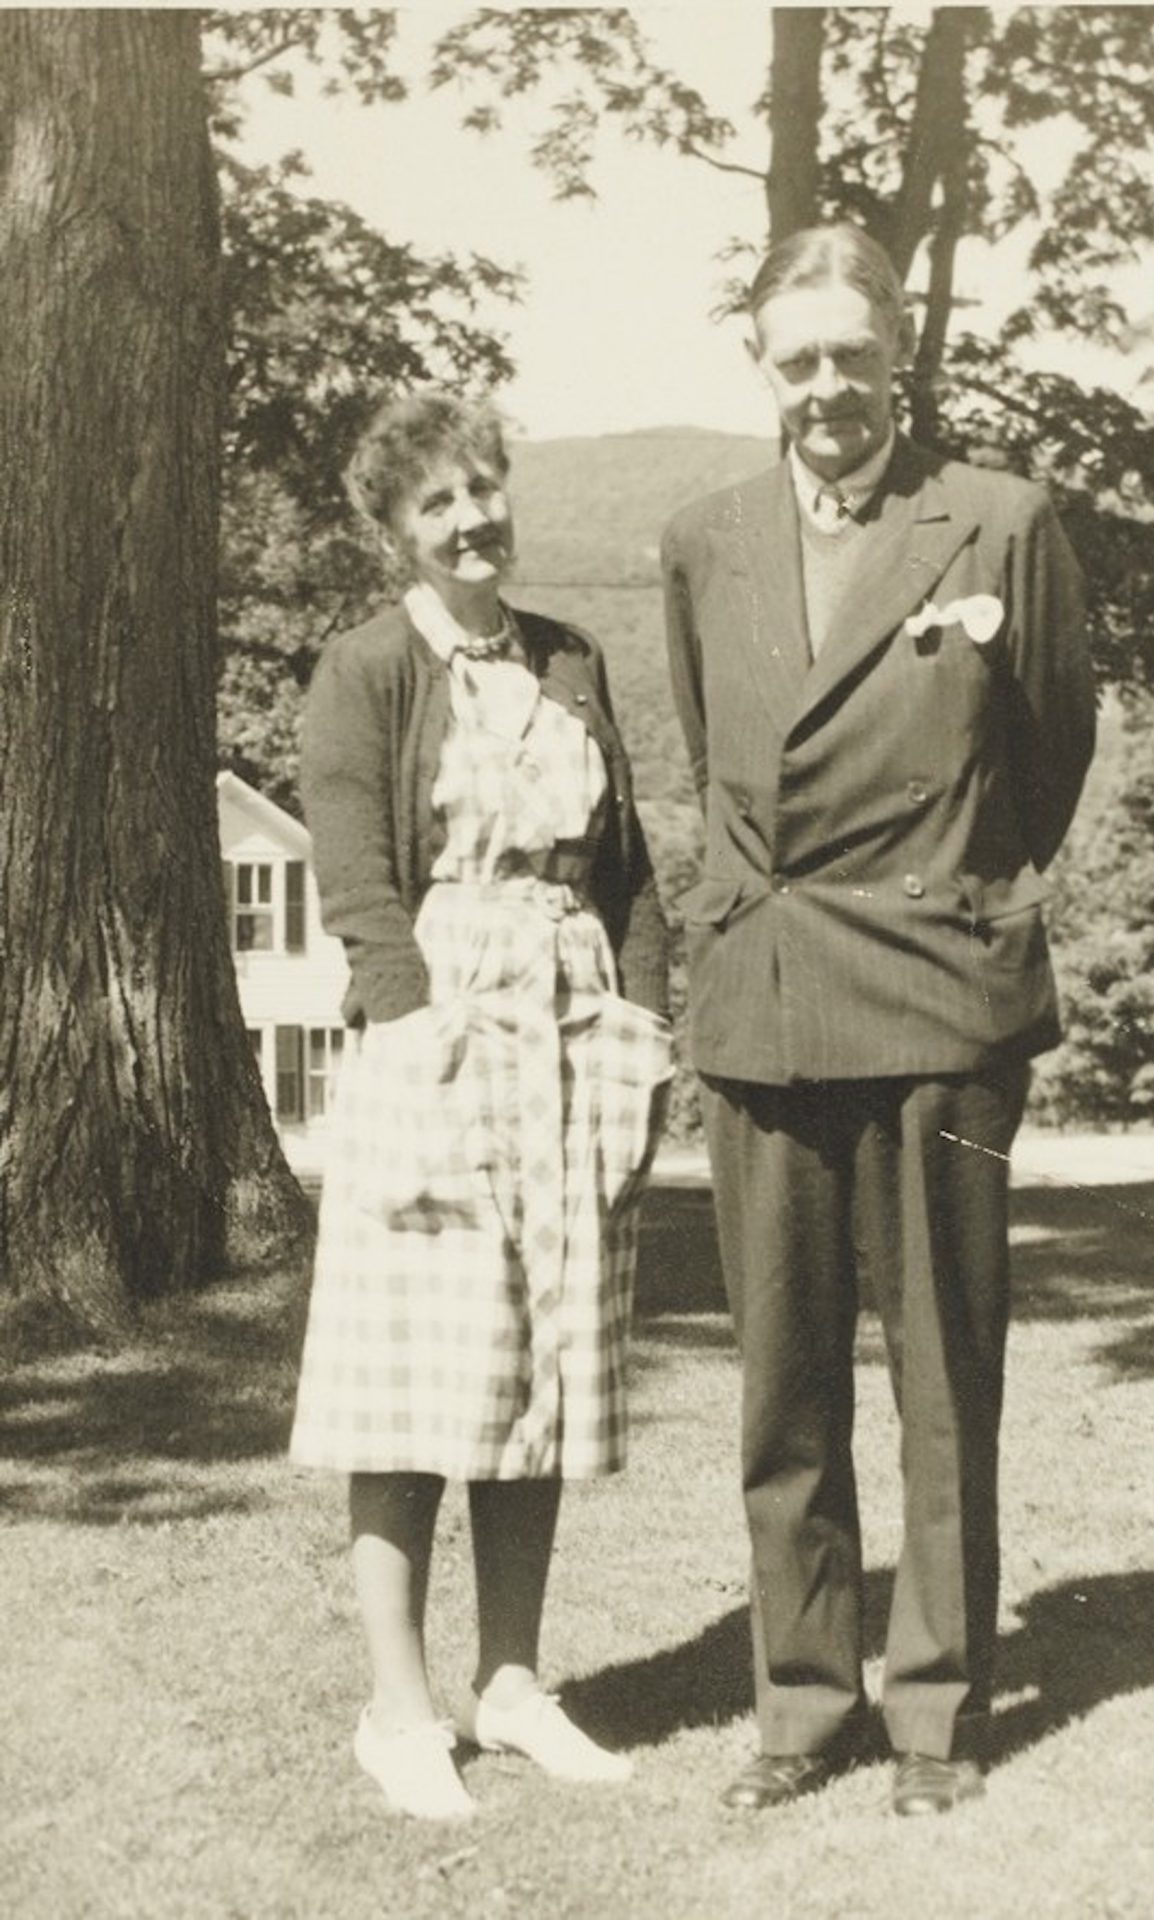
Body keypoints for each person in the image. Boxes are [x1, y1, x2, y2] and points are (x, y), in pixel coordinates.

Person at [661, 225, 1095, 1817]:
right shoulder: (703, 535)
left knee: (939, 1373)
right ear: (759, 368)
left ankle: (934, 1712)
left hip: (942, 997)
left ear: (898, 348)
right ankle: (799, 1701)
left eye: (854, 353)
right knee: (782, 1382)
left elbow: (1049, 755)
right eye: (798, 359)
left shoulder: (997, 520)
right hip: (765, 999)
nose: (828, 387)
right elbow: (718, 753)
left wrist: (958, 893)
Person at [290, 389, 672, 1821]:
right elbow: (358, 885)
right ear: (395, 529)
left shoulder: (570, 660)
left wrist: (641, 1021)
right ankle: (398, 1713)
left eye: (484, 490)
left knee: (541, 1372)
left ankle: (509, 1685)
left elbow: (622, 863)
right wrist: (415, 1037)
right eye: (438, 503)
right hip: (437, 1029)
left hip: (572, 1030)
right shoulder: (367, 669)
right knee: (413, 1387)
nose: (472, 521)